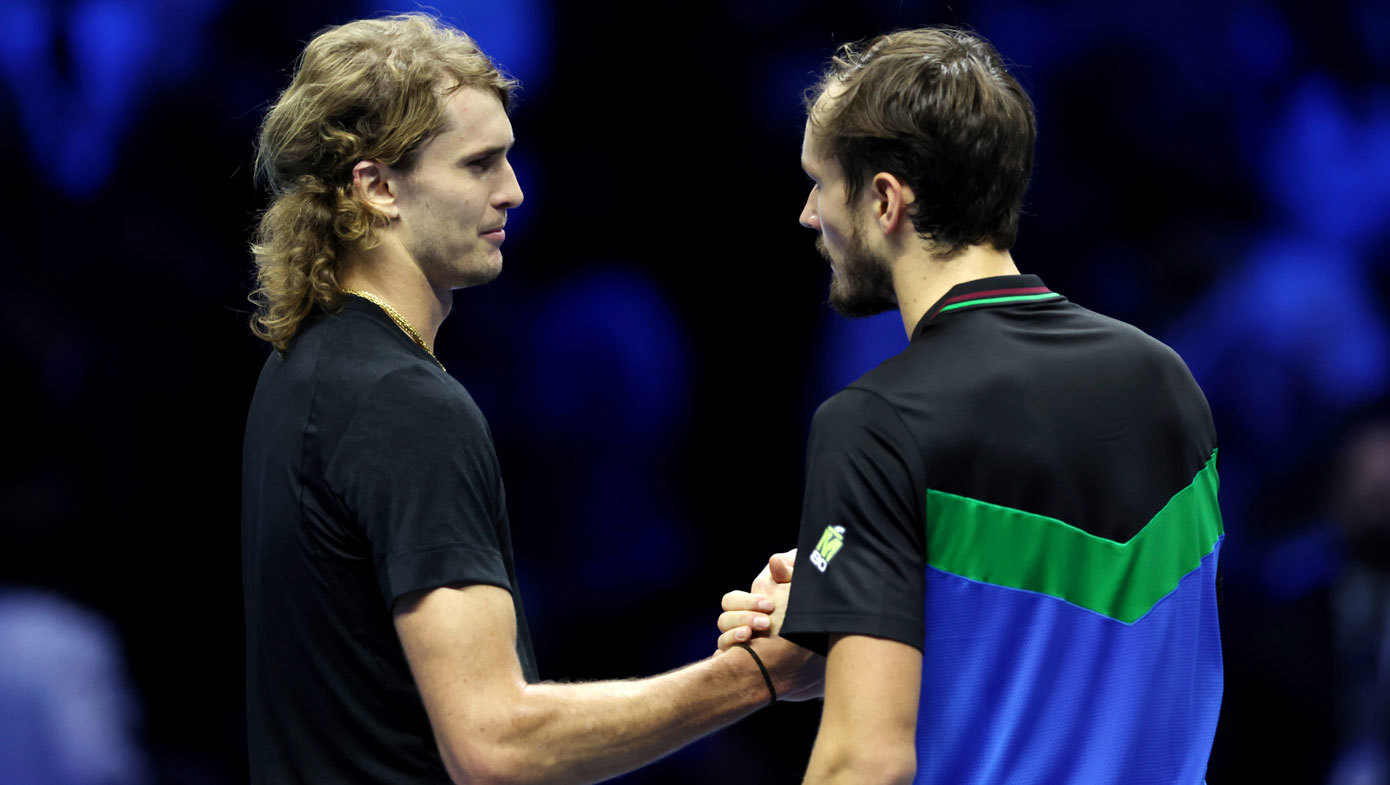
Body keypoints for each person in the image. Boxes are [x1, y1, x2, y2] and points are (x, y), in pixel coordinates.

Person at [240, 14, 819, 784]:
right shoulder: (404, 404)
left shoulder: (301, 368)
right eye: (479, 164)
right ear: (377, 187)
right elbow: (495, 745)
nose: (513, 191)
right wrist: (758, 674)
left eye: (509, 159)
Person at [717, 27, 1223, 785]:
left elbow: (865, 763)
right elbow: (1096, 658)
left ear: (885, 198)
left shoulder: (876, 422)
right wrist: (862, 596)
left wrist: (864, 589)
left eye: (820, 183)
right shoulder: (1168, 382)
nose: (807, 214)